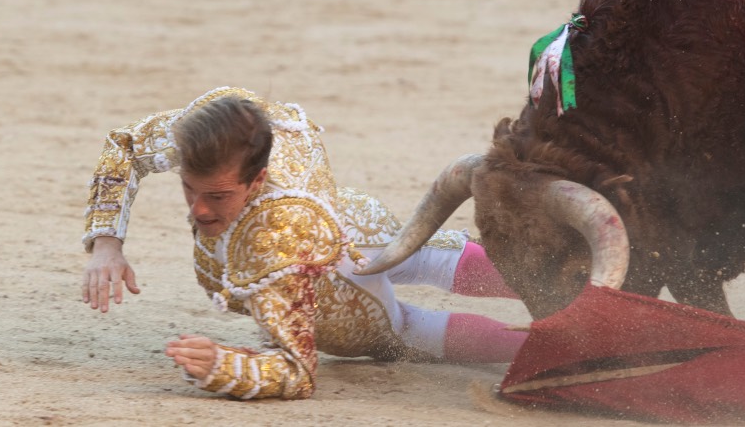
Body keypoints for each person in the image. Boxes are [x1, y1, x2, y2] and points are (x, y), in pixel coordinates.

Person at [81, 86, 527, 399]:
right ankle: (576, 298)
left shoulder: (270, 242)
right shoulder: (234, 125)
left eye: (217, 196)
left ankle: (559, 345)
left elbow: (297, 372)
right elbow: (126, 145)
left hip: (344, 311)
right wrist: (107, 243)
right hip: (363, 227)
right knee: (429, 255)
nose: (198, 210)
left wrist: (224, 367)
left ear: (256, 180)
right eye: (189, 189)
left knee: (412, 328)